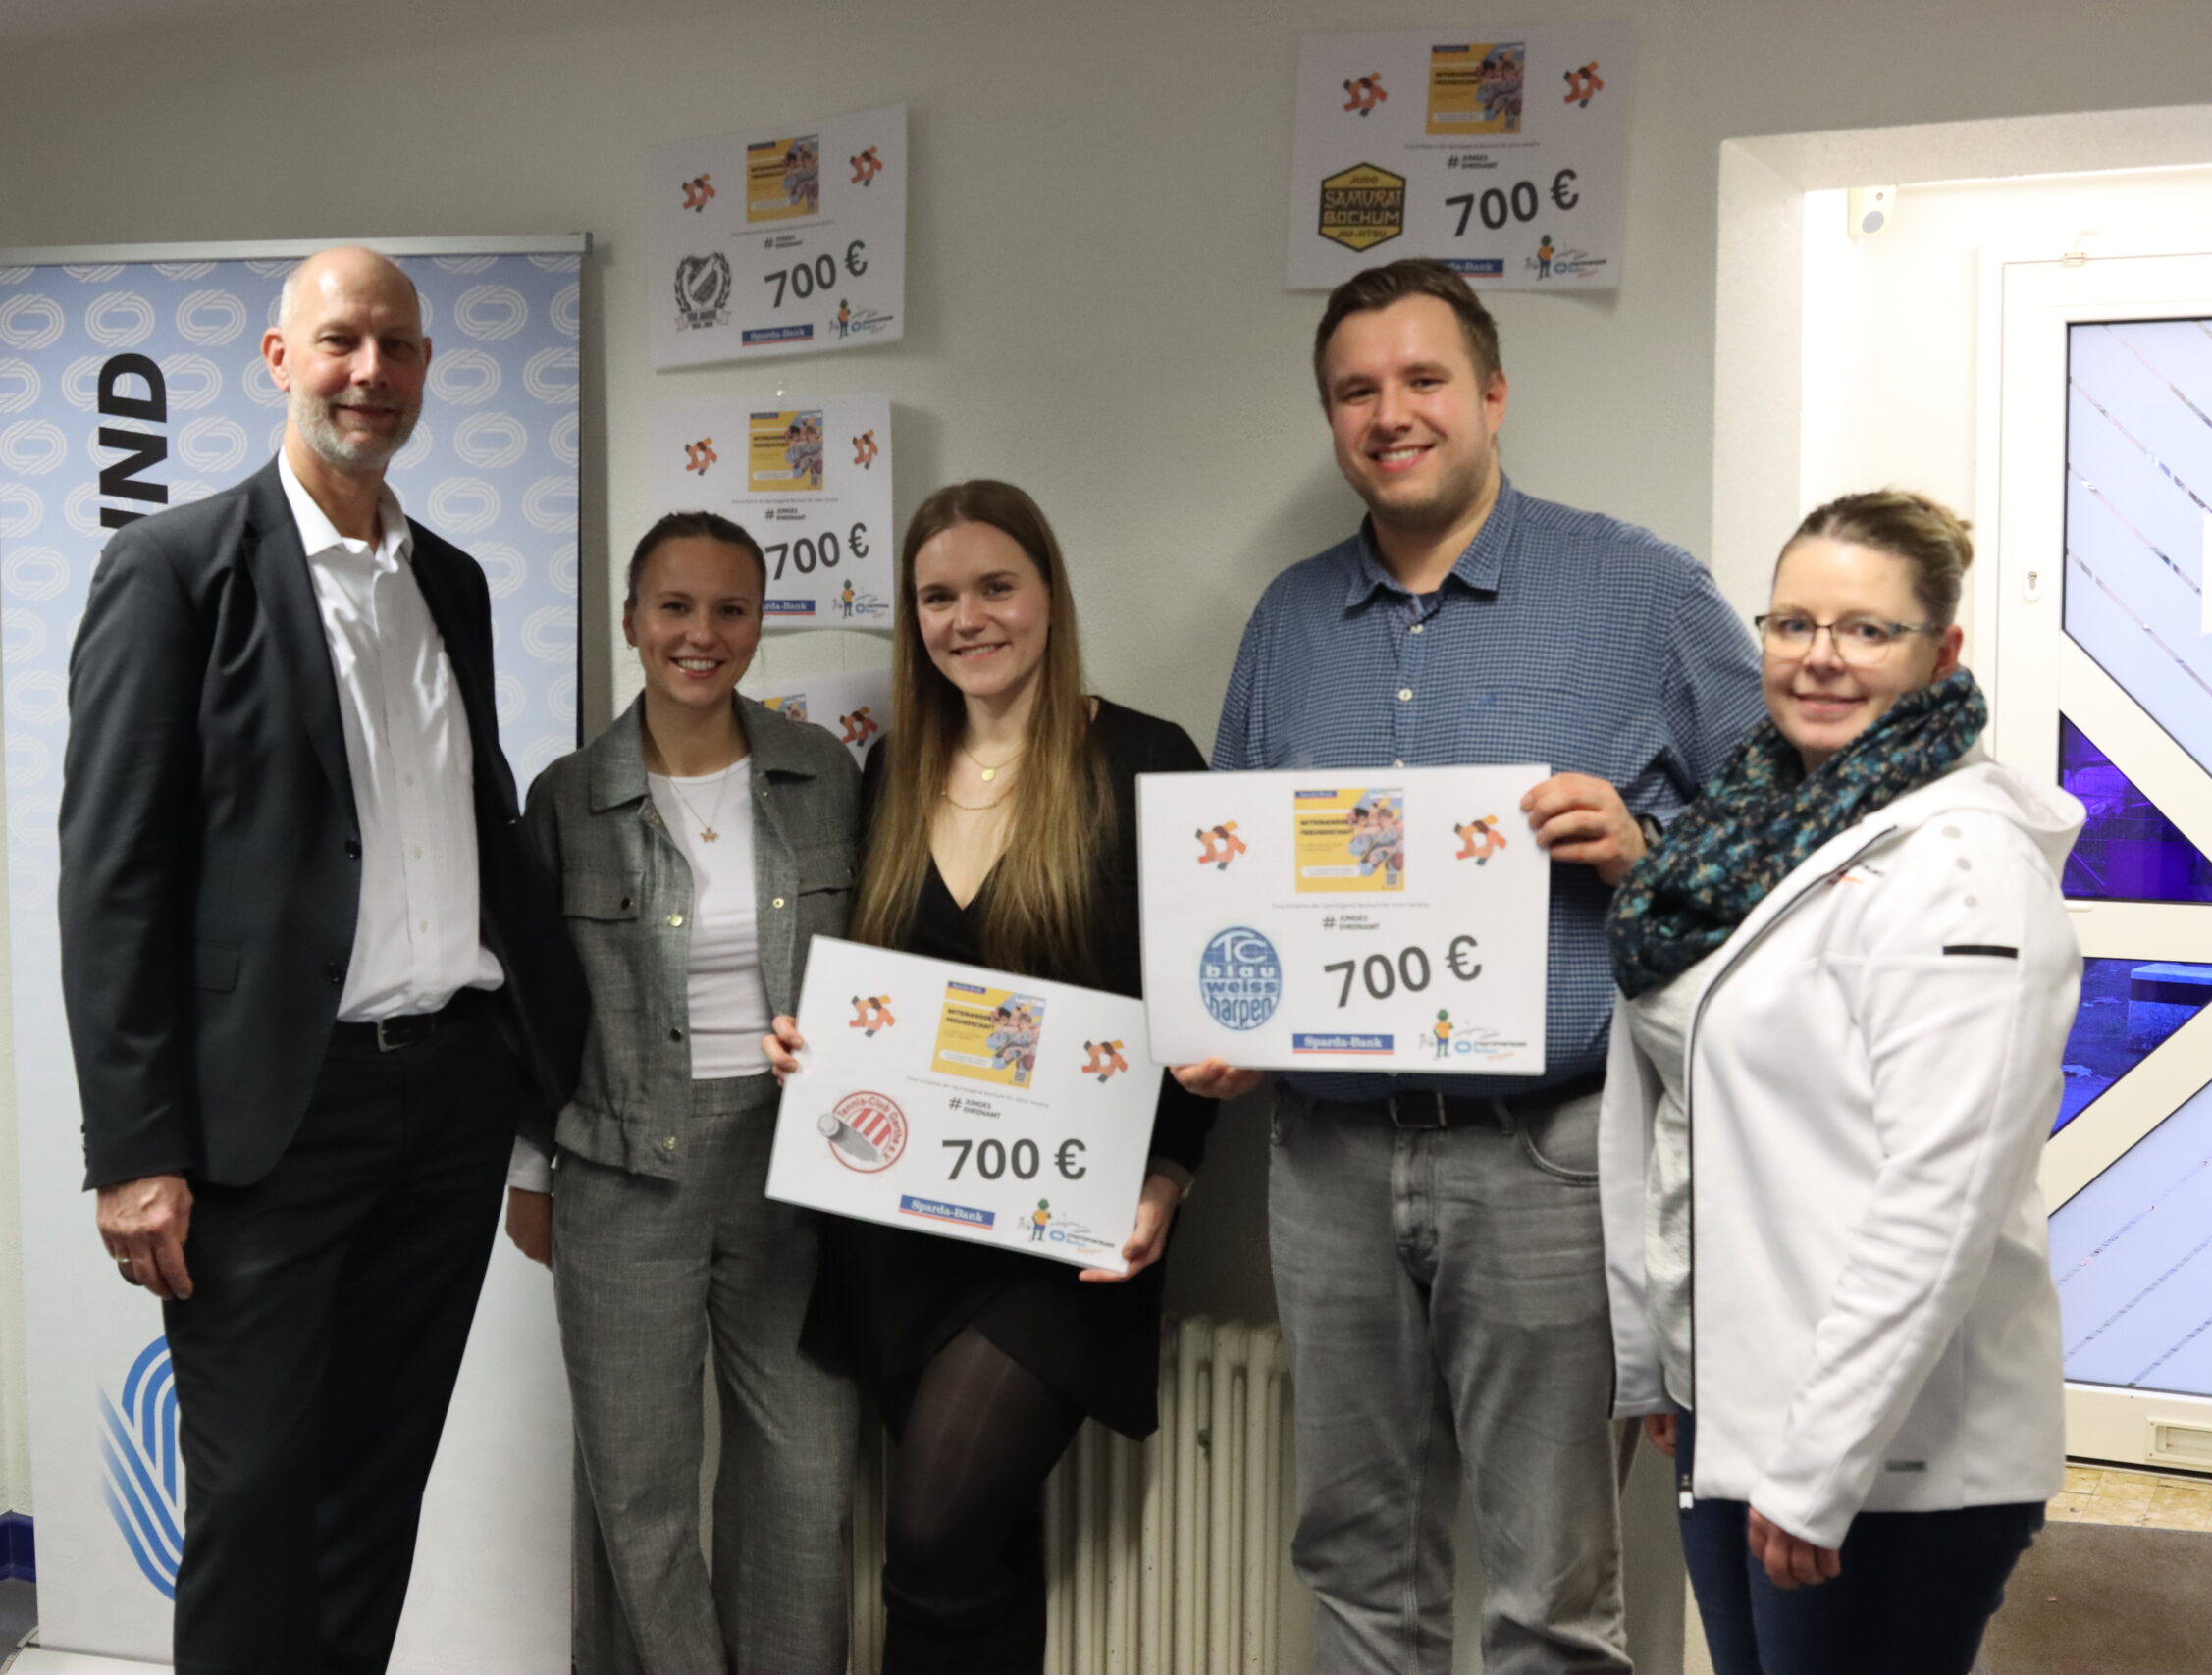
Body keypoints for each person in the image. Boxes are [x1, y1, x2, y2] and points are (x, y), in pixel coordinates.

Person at [1182, 258, 1764, 1673]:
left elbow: (1783, 845)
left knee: (1549, 1587)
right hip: (1326, 1160)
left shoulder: (1642, 592)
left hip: (1546, 1160)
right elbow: (1237, 873)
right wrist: (1227, 1019)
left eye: (1422, 378)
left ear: (1493, 392)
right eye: (1355, 390)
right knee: (1354, 1562)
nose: (1390, 413)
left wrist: (1644, 849)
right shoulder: (1287, 621)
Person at [61, 245, 579, 1675]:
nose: (371, 371)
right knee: (253, 1493)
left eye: (397, 345)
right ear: (280, 358)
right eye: (342, 340)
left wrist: (531, 1082)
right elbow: (113, 878)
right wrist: (134, 1147)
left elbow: (466, 816)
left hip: (448, 1102)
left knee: (372, 1482)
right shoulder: (174, 570)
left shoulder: (451, 581)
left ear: (425, 368)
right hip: (267, 1123)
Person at [1602, 491, 2080, 1675]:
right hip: (1739, 1403)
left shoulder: (1962, 869)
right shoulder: (1753, 831)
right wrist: (1671, 1358)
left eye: (1867, 630)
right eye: (1793, 623)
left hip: (1883, 1455)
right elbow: (1696, 1120)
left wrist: (1819, 1465)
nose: (1820, 657)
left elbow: (1939, 1198)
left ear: (1940, 654)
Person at [764, 480, 1213, 1673]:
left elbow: (1201, 1011)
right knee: (986, 1560)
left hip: (1061, 1240)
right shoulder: (889, 772)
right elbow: (874, 994)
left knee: (931, 1547)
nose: (967, 619)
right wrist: (811, 1049)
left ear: (1049, 594)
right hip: (899, 1228)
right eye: (936, 597)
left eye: (995, 586)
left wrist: (1170, 1174)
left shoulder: (1144, 760)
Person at [504, 511, 860, 1675]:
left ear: (758, 624)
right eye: (673, 606)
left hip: (794, 1168)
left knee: (806, 1479)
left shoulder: (824, 775)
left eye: (728, 609)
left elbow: (878, 964)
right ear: (630, 621)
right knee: (637, 1491)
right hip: (618, 1173)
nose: (700, 634)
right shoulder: (567, 797)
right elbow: (532, 1007)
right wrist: (528, 1172)